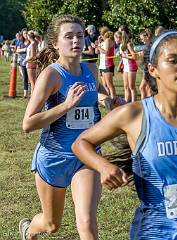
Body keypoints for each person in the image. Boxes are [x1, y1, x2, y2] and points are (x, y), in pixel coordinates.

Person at [72, 31, 177, 239]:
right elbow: (81, 142)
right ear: (153, 69)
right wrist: (103, 166)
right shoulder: (134, 114)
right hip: (155, 232)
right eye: (173, 60)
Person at [19, 15, 112, 240]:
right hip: (54, 157)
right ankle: (29, 229)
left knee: (87, 223)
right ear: (55, 43)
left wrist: (106, 100)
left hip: (86, 154)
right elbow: (28, 123)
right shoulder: (51, 75)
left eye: (79, 36)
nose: (75, 41)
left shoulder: (91, 70)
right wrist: (66, 105)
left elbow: (97, 91)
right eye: (68, 36)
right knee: (52, 225)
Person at [97, 27, 116, 99]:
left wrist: (98, 47)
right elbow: (97, 52)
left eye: (101, 34)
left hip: (108, 64)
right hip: (102, 65)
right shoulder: (103, 42)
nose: (100, 36)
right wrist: (98, 44)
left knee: (109, 84)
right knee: (104, 85)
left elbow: (107, 53)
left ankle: (113, 99)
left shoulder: (108, 40)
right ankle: (108, 99)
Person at [119, 28, 138, 102]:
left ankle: (134, 103)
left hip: (131, 67)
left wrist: (125, 56)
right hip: (125, 67)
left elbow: (134, 56)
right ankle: (126, 103)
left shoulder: (129, 44)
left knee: (131, 87)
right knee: (126, 87)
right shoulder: (121, 45)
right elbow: (123, 56)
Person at [138, 29, 153, 99]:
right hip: (146, 70)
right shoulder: (148, 46)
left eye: (142, 38)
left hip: (150, 70)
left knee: (144, 88)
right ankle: (145, 105)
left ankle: (145, 105)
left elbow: (151, 59)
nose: (142, 40)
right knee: (146, 88)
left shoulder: (151, 46)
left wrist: (143, 56)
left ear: (147, 37)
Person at [16, 29, 31, 98]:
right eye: (24, 33)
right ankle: (25, 94)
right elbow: (17, 50)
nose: (25, 35)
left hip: (30, 62)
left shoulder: (31, 42)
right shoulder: (21, 42)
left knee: (31, 79)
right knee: (25, 78)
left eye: (26, 33)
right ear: (22, 34)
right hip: (22, 62)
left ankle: (33, 93)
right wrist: (24, 49)